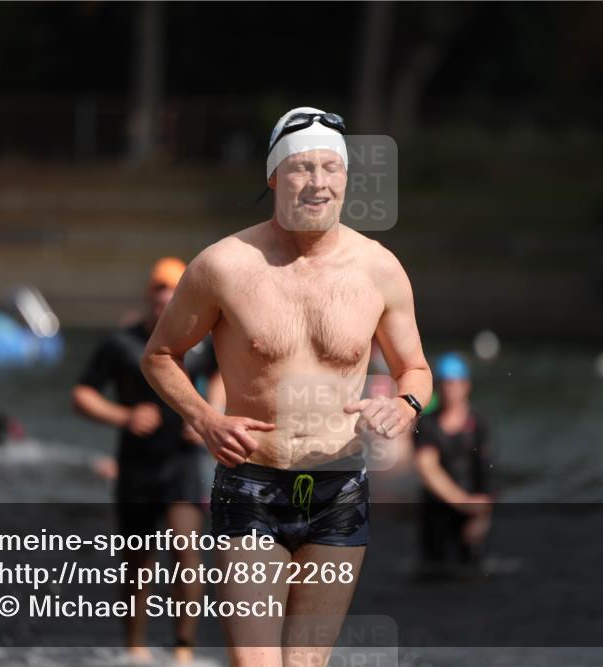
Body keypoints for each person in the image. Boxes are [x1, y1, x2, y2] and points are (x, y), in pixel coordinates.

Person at [141, 107, 432, 667]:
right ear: (274, 176)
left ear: (347, 177)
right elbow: (159, 357)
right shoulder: (223, 265)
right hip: (252, 484)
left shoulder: (380, 269)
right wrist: (205, 419)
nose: (318, 183)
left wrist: (406, 405)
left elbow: (414, 369)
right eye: (301, 168)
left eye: (331, 168)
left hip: (338, 489)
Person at [72, 257, 217, 664]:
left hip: (183, 462)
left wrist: (208, 413)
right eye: (158, 291)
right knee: (138, 561)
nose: (165, 299)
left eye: (173, 291)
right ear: (149, 296)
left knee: (187, 552)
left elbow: (222, 377)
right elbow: (82, 394)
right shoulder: (121, 344)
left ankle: (183, 651)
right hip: (136, 465)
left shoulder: (202, 342)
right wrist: (124, 415)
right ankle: (135, 648)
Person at [414, 352, 495, 571]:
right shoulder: (428, 425)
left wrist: (482, 517)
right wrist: (462, 502)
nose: (451, 389)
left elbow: (487, 471)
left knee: (475, 569)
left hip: (473, 509)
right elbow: (427, 469)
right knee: (435, 569)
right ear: (438, 387)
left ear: (466, 385)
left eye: (456, 384)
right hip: (438, 511)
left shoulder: (479, 422)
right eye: (446, 384)